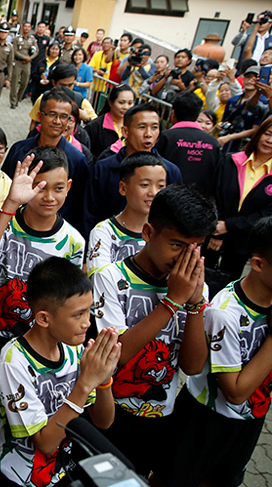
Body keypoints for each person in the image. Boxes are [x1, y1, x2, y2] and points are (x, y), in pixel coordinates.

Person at [91, 183, 216, 478]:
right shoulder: (111, 278)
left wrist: (195, 303)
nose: (184, 259)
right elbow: (117, 355)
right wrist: (172, 301)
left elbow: (193, 365)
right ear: (148, 233)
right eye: (176, 245)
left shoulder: (196, 288)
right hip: (111, 412)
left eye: (194, 248)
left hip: (161, 413)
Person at [0, 257, 121, 486]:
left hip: (57, 474)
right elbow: (45, 443)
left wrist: (104, 380)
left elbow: (104, 421)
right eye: (78, 314)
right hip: (11, 477)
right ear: (43, 318)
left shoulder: (74, 349)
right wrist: (85, 383)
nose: (87, 322)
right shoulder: (14, 361)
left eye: (89, 311)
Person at [0, 147, 87, 413]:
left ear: (68, 187)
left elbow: (67, 300)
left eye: (57, 188)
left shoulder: (73, 242)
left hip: (35, 343)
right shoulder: (3, 222)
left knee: (11, 414)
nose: (49, 197)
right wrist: (10, 204)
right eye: (39, 187)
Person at [159, 217, 272, 487]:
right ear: (257, 263)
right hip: (204, 422)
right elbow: (235, 392)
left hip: (249, 421)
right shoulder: (224, 314)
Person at [84, 103, 183, 234]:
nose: (148, 134)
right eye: (142, 127)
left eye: (154, 128)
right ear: (125, 131)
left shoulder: (170, 171)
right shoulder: (104, 168)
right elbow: (89, 214)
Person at [1, 90, 90, 234]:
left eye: (64, 117)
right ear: (39, 116)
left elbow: (79, 204)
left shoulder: (77, 159)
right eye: (52, 115)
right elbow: (3, 186)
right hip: (14, 225)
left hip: (55, 231)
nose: (58, 121)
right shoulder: (19, 149)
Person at [209, 116, 272, 283]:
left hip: (244, 244)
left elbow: (265, 214)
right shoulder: (230, 160)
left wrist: (228, 226)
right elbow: (213, 194)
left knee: (228, 286)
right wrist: (217, 231)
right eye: (267, 133)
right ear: (259, 134)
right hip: (210, 234)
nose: (270, 140)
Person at [86, 153, 167, 276]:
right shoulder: (104, 232)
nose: (153, 192)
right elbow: (99, 279)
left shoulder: (166, 232)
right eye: (145, 185)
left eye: (160, 186)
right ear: (123, 188)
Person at [155, 91, 221, 197]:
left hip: (167, 197)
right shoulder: (213, 142)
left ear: (173, 113)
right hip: (199, 201)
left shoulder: (166, 137)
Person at [28, 64, 99, 130]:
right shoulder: (44, 98)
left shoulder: (80, 101)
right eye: (63, 85)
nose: (67, 89)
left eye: (70, 85)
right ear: (54, 83)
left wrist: (86, 118)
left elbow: (97, 127)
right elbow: (34, 122)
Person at [218, 66, 270, 153]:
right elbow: (226, 120)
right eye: (248, 77)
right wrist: (222, 125)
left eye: (256, 78)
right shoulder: (232, 100)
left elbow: (256, 129)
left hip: (245, 147)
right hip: (226, 144)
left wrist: (230, 137)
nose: (250, 80)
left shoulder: (264, 102)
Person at [83, 84, 135, 160]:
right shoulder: (95, 127)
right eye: (121, 102)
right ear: (110, 102)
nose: (126, 107)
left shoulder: (134, 126)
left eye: (130, 103)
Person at [11, 22, 39, 109]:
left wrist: (30, 58)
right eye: (25, 26)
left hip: (27, 63)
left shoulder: (32, 39)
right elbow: (14, 51)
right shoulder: (17, 38)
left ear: (30, 28)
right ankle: (13, 101)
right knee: (14, 83)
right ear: (22, 28)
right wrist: (24, 57)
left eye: (28, 27)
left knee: (24, 82)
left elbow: (37, 51)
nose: (26, 28)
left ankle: (18, 99)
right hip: (18, 62)